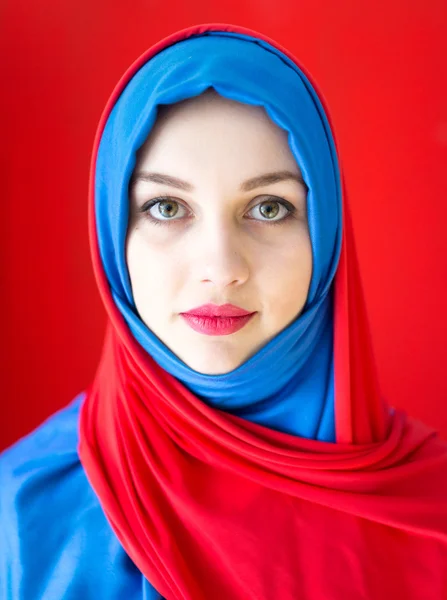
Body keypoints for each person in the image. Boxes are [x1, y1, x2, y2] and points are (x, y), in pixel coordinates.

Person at [1, 23, 447, 600]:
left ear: (327, 233)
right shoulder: (20, 515)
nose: (220, 266)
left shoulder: (432, 508)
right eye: (166, 206)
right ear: (113, 237)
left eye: (268, 207)